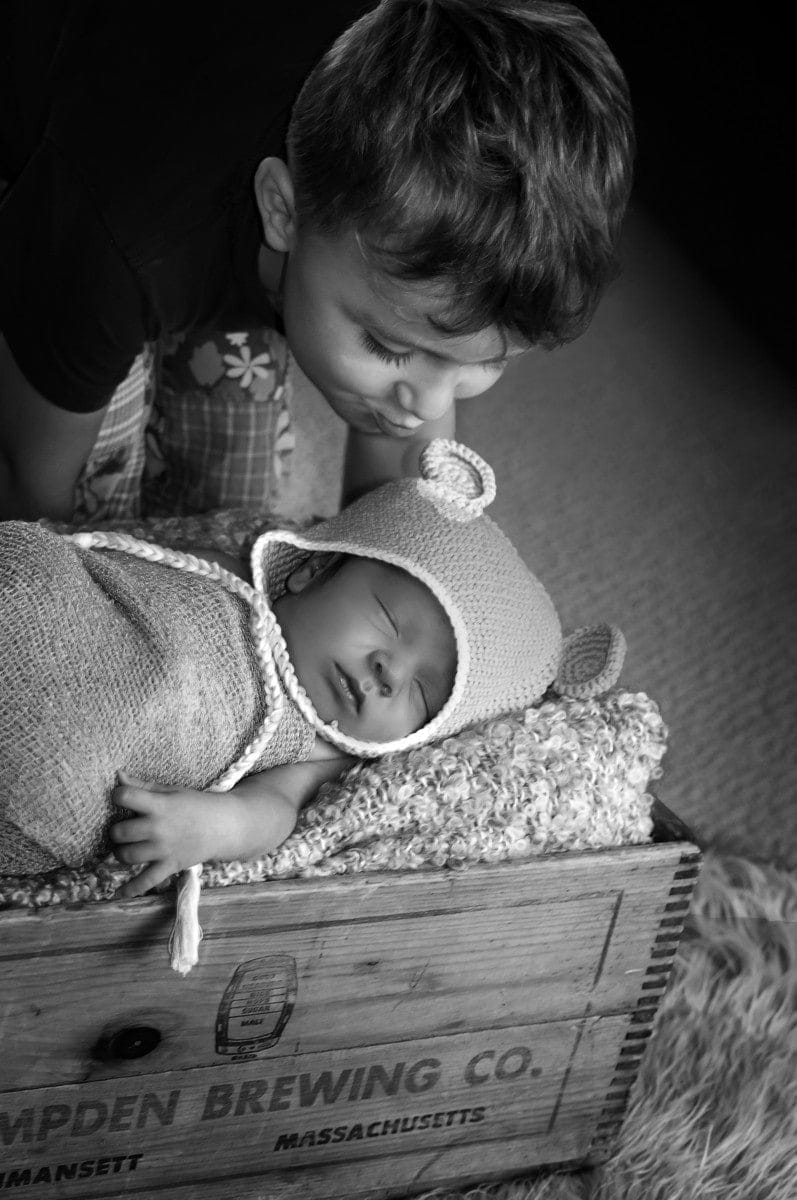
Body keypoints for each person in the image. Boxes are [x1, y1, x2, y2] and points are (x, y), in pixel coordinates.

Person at [0, 0, 634, 523]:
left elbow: (392, 505)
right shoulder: (113, 252)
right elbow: (29, 501)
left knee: (228, 507)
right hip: (67, 176)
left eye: (484, 363)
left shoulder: (384, 242)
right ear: (283, 211)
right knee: (90, 507)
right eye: (387, 346)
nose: (424, 404)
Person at [0, 440, 624, 898]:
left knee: (57, 786)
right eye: (387, 618)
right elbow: (124, 562)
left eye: (424, 693)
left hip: (65, 772)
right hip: (56, 618)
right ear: (310, 570)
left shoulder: (322, 749)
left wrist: (212, 827)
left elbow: (272, 812)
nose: (388, 669)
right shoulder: (232, 573)